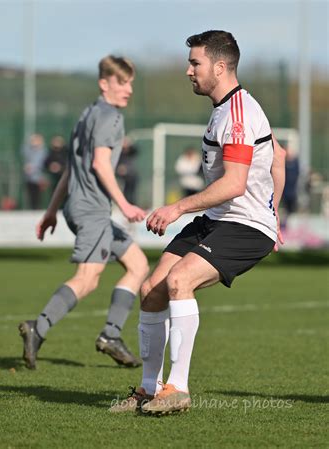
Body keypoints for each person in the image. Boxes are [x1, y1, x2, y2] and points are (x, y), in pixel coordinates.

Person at [111, 30, 286, 414]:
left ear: (220, 67)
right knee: (151, 289)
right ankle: (147, 389)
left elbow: (235, 184)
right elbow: (279, 156)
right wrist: (277, 211)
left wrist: (178, 208)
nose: (188, 70)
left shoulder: (238, 113)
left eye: (195, 63)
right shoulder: (225, 108)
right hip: (218, 219)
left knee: (179, 281)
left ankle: (178, 389)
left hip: (244, 224)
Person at [18, 55, 149, 370]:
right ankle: (39, 327)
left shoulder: (87, 115)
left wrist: (51, 211)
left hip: (81, 207)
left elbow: (69, 170)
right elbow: (99, 165)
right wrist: (125, 204)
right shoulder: (111, 118)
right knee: (88, 279)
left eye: (131, 82)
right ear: (104, 83)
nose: (128, 89)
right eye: (122, 82)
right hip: (92, 211)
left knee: (138, 264)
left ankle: (111, 336)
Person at [22, 134, 48, 210]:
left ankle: (38, 208)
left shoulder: (43, 151)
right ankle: (32, 208)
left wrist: (32, 167)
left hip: (39, 176)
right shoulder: (30, 150)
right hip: (29, 176)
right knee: (30, 193)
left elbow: (41, 162)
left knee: (38, 194)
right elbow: (23, 149)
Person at [116, 136, 139, 204]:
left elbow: (135, 151)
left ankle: (131, 204)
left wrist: (129, 144)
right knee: (124, 192)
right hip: (122, 176)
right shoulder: (119, 152)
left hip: (131, 175)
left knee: (131, 192)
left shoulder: (131, 152)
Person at [281, 147, 299, 229]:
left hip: (292, 192)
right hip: (285, 192)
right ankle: (285, 225)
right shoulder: (284, 165)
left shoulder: (295, 164)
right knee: (285, 209)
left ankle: (289, 226)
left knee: (292, 209)